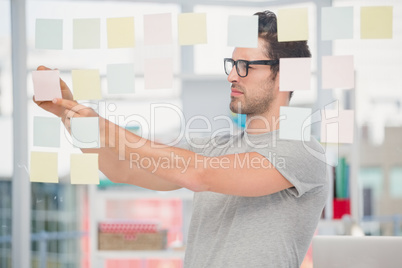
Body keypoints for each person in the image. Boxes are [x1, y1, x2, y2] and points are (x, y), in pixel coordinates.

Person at [34, 10, 328, 268]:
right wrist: (68, 113)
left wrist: (99, 124)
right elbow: (122, 168)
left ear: (285, 76)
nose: (232, 76)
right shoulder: (217, 146)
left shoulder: (302, 150)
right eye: (232, 63)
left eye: (245, 66)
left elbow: (201, 175)